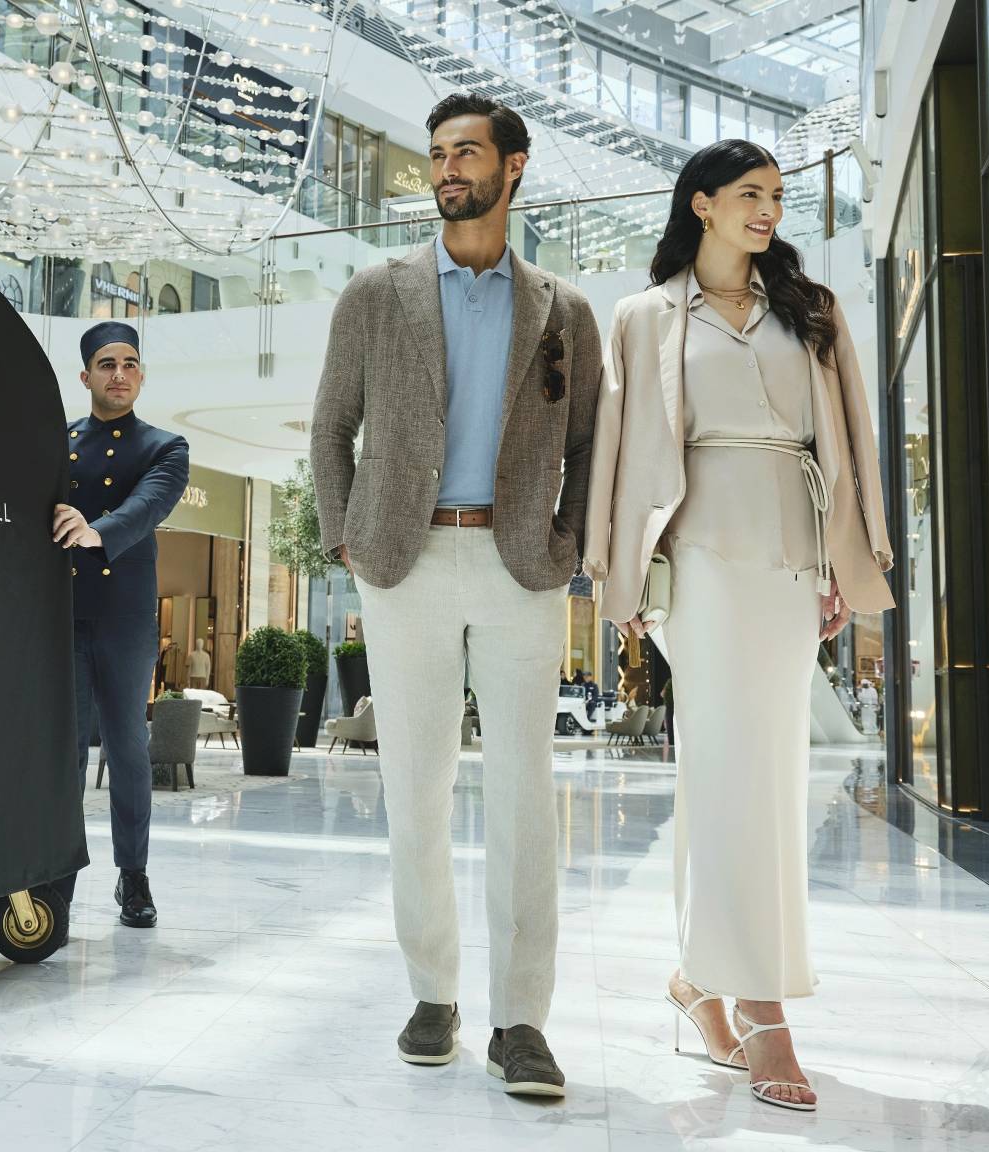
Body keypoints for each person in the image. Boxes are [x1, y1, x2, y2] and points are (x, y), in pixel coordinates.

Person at [582, 139, 894, 1111]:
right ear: (701, 204)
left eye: (777, 197)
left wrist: (848, 558)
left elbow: (845, 439)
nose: (767, 210)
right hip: (702, 563)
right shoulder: (641, 318)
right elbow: (619, 454)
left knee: (750, 775)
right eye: (750, 195)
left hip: (792, 559)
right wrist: (615, 582)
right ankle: (759, 1005)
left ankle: (695, 980)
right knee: (728, 772)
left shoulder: (810, 312)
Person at [309, 91, 600, 1099]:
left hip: (521, 569)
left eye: (464, 153)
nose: (444, 171)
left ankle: (520, 1021)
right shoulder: (373, 295)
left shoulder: (561, 309)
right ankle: (431, 992)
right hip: (405, 566)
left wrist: (567, 543)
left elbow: (589, 443)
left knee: (525, 800)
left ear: (511, 168)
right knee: (415, 793)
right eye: (435, 154)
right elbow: (327, 426)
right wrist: (342, 538)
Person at [53, 320, 190, 930]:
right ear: (86, 376)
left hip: (125, 619)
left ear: (141, 374)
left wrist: (94, 529)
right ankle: (55, 877)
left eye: (130, 363)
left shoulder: (165, 447)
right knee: (63, 752)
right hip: (61, 613)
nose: (120, 374)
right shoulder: (59, 442)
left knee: (127, 747)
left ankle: (132, 877)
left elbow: (146, 507)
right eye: (107, 364)